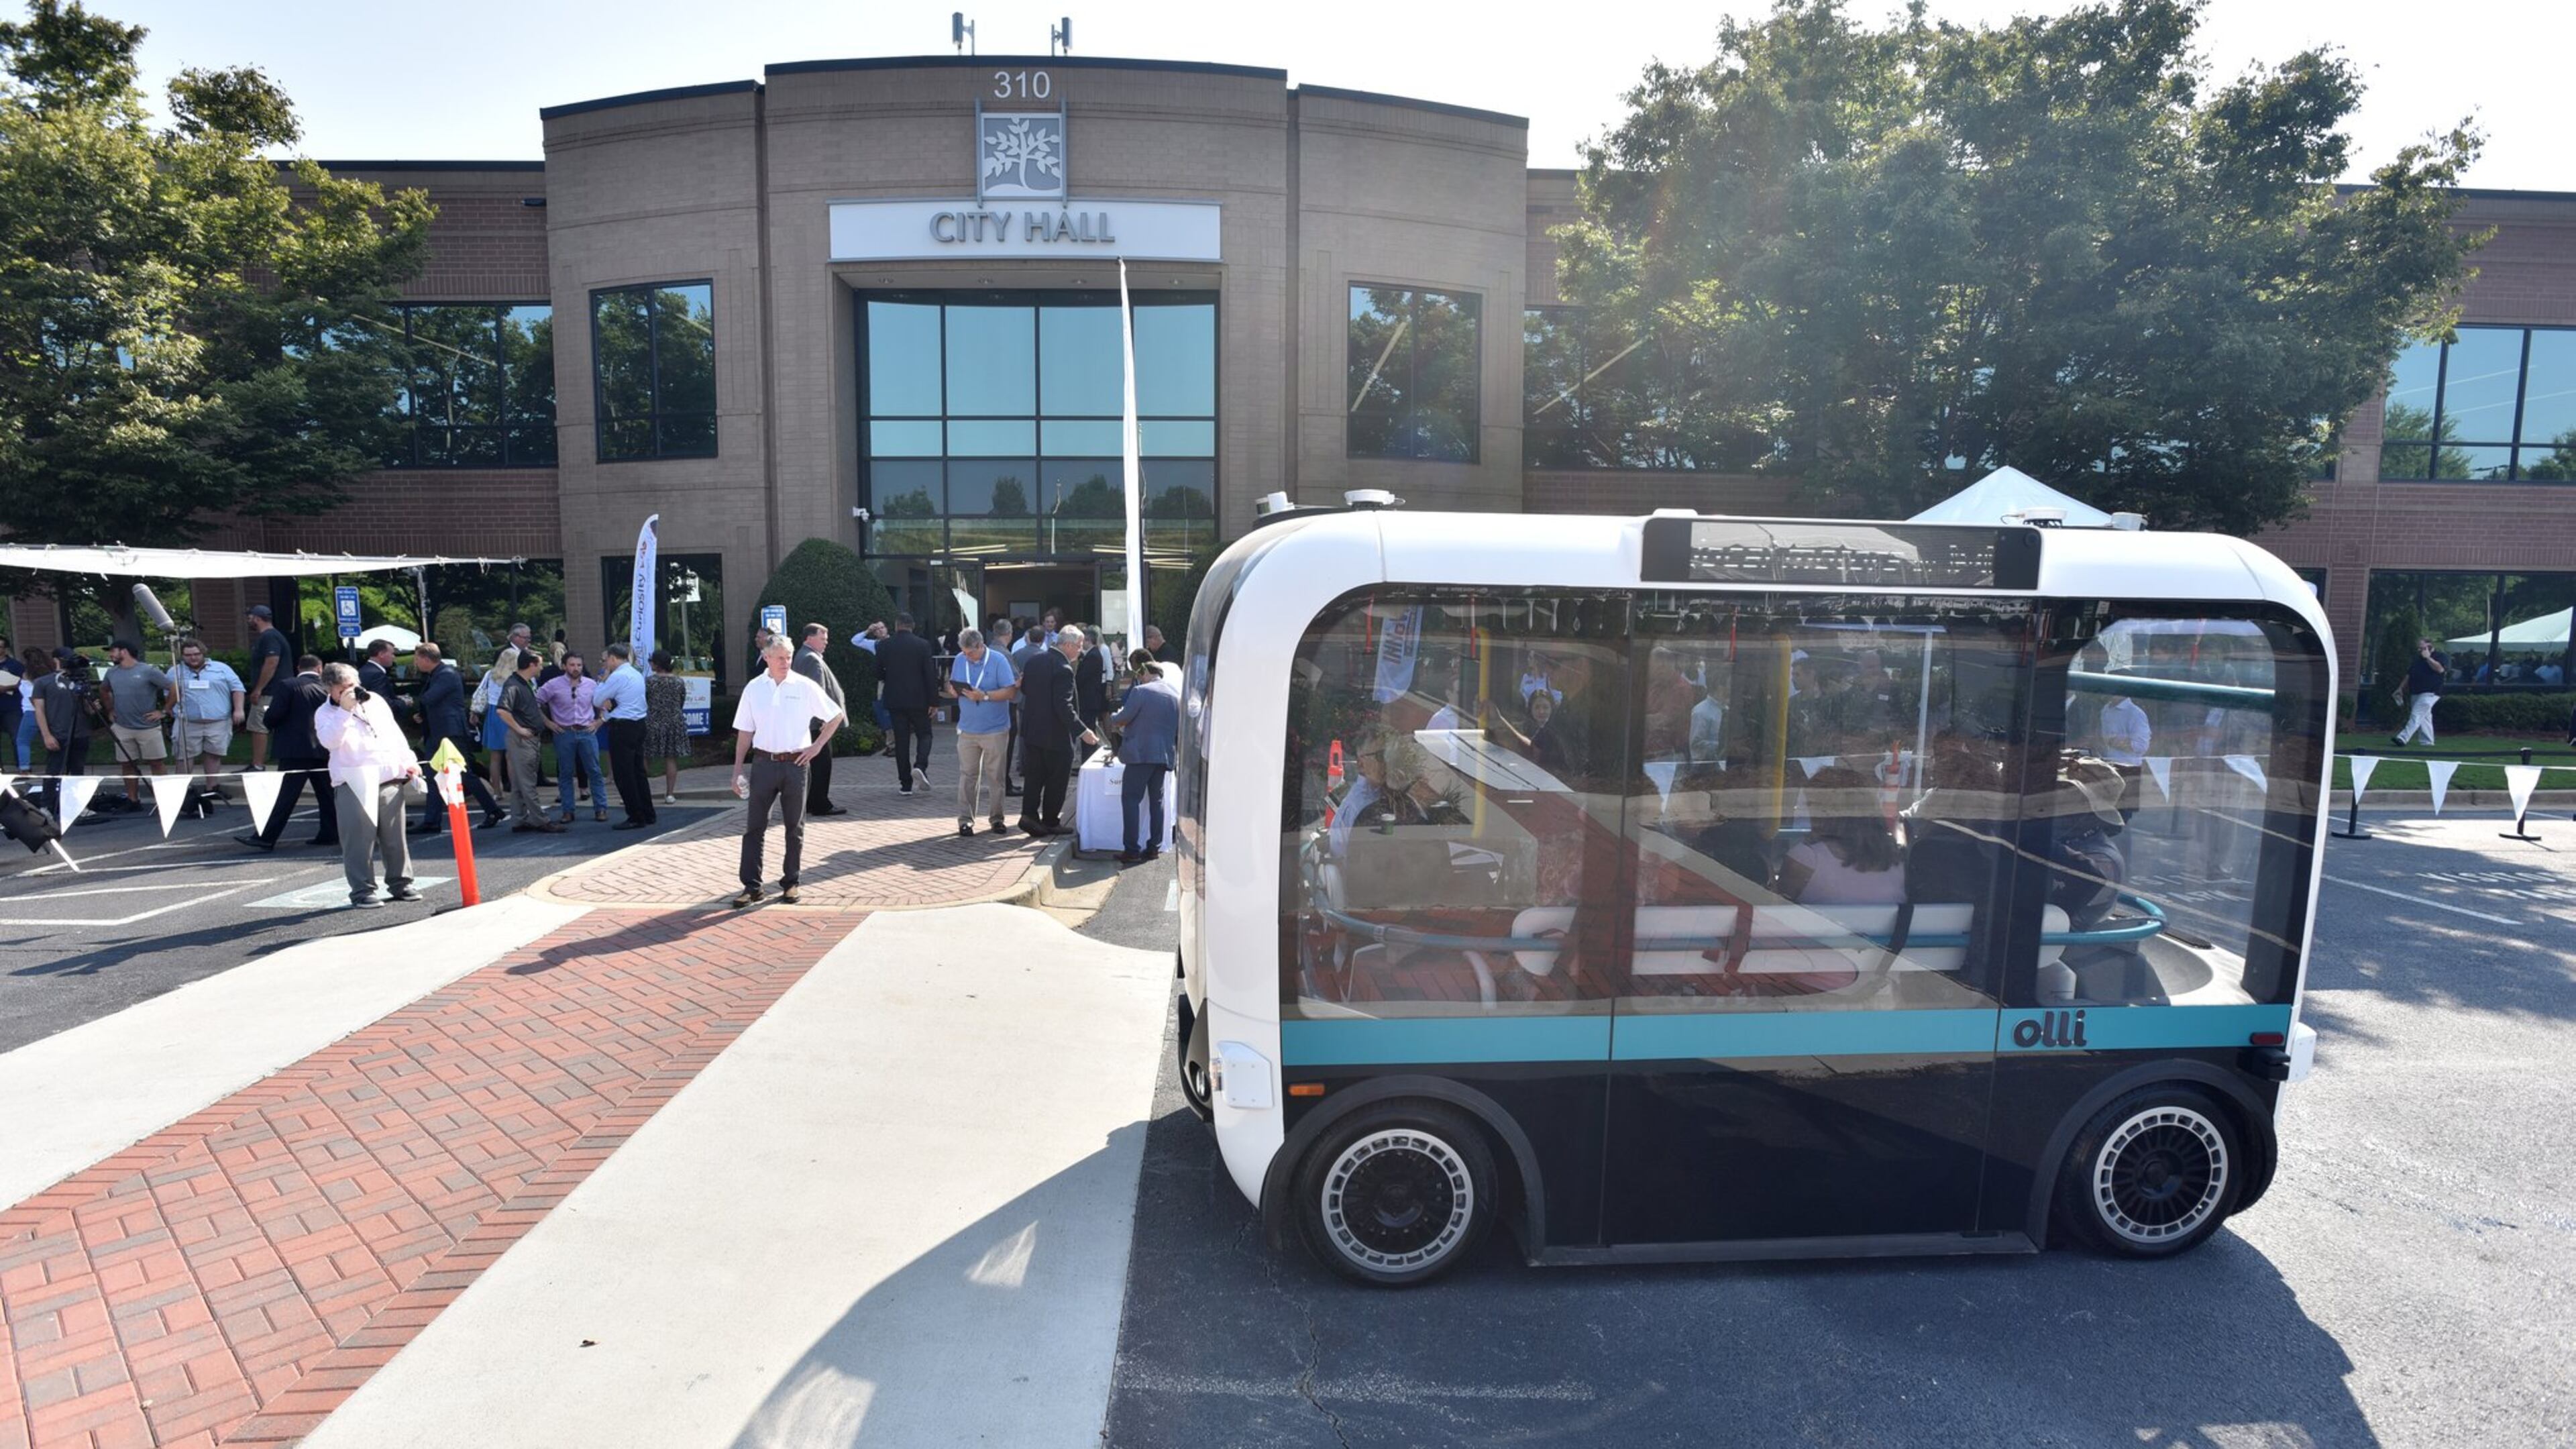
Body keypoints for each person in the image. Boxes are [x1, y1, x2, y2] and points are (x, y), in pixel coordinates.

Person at [731, 637, 844, 907]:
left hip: (796, 765)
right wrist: (737, 771)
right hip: (763, 764)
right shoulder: (754, 688)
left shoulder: (804, 686)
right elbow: (745, 731)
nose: (786, 662)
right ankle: (751, 886)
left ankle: (791, 882)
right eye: (780, 657)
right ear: (766, 657)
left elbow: (835, 715)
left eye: (789, 657)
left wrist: (816, 747)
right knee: (754, 827)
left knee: (795, 827)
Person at [314, 662, 424, 908]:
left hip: (387, 777)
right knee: (358, 840)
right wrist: (344, 711)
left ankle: (402, 883)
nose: (352, 692)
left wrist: (409, 761)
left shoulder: (375, 701)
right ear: (331, 690)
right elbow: (329, 742)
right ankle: (362, 890)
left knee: (395, 836)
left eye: (354, 686)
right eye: (344, 689)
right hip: (352, 782)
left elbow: (393, 733)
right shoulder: (325, 713)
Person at [237, 656, 342, 851]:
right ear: (320, 668)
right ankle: (330, 833)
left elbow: (275, 715)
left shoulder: (288, 685)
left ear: (298, 668)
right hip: (323, 747)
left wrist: (270, 721)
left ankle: (266, 837)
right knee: (327, 795)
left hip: (294, 749)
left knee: (285, 796)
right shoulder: (328, 688)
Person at [408, 643, 508, 835]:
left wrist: (415, 706)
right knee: (434, 774)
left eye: (418, 658)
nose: (416, 663)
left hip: (448, 732)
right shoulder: (439, 674)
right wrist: (423, 715)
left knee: (463, 773)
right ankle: (432, 820)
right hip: (440, 731)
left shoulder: (446, 675)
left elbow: (429, 698)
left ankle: (492, 810)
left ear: (427, 659)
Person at [1779, 765, 1906, 904]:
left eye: (1813, 804)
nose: (1810, 812)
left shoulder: (1806, 858)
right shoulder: (1897, 859)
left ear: (1829, 810)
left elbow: (1774, 913)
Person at [1015, 624, 1097, 837]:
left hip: (1032, 732)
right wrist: (1083, 731)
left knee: (1034, 777)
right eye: (1079, 646)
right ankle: (1051, 821)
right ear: (1068, 645)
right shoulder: (1063, 669)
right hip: (1056, 735)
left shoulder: (1034, 661)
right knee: (1056, 779)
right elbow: (1063, 706)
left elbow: (1024, 689)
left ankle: (1029, 816)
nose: (1080, 651)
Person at [1108, 650, 1181, 864]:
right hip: (1164, 755)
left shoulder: (1141, 692)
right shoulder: (1174, 696)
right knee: (1157, 801)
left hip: (1140, 754)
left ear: (1147, 674)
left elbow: (1122, 718)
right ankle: (1154, 847)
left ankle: (1131, 849)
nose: (1140, 678)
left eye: (1141, 675)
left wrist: (1113, 717)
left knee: (1131, 800)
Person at [946, 627, 1018, 837]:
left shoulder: (998, 660)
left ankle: (997, 819)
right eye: (964, 652)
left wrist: (984, 696)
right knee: (967, 775)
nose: (966, 657)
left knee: (996, 777)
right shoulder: (960, 659)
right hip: (967, 729)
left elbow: (1011, 692)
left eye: (970, 653)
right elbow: (952, 683)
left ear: (980, 646)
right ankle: (965, 821)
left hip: (995, 729)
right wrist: (952, 690)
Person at [863, 614, 941, 795]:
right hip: (919, 699)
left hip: (895, 699)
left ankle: (905, 784)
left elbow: (877, 672)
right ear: (912, 626)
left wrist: (889, 678)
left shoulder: (884, 645)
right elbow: (930, 675)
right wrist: (934, 701)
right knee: (925, 734)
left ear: (896, 626)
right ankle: (920, 765)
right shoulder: (922, 645)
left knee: (901, 741)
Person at [99, 641, 175, 812]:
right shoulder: (112, 673)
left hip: (148, 726)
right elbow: (104, 690)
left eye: (113, 651)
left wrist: (164, 711)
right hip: (122, 726)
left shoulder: (148, 671)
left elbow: (173, 687)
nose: (111, 655)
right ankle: (133, 800)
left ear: (124, 652)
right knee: (127, 764)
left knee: (156, 762)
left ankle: (165, 800)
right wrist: (110, 709)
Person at [170, 638, 246, 808]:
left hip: (218, 721)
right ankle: (183, 790)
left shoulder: (222, 669)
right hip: (188, 722)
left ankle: (212, 788)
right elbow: (169, 694)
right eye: (188, 655)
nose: (193, 658)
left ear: (203, 653)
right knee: (184, 756)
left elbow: (238, 688)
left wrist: (238, 710)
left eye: (197, 654)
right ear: (182, 656)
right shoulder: (175, 671)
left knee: (214, 754)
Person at [535, 650, 608, 822]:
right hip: (564, 733)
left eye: (579, 665)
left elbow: (605, 704)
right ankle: (568, 811)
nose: (576, 668)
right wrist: (548, 723)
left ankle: (601, 808)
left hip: (586, 732)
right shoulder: (553, 685)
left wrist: (599, 722)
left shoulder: (591, 684)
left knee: (595, 771)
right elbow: (535, 703)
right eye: (572, 665)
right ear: (564, 666)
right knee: (566, 773)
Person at [495, 649, 562, 833]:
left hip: (527, 738)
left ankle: (519, 819)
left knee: (518, 782)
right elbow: (502, 711)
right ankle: (541, 820)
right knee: (528, 783)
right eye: (540, 663)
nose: (542, 667)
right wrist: (519, 729)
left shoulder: (524, 683)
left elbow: (531, 708)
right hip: (523, 740)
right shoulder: (513, 685)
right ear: (531, 665)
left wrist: (547, 723)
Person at [593, 642, 657, 829]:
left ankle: (635, 816)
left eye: (606, 660)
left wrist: (603, 680)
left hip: (623, 728)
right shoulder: (636, 674)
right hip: (638, 724)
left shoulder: (617, 676)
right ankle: (647, 813)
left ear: (613, 658)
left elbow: (597, 699)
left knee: (624, 774)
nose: (605, 664)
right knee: (638, 771)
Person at [30, 649, 95, 822]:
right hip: (58, 732)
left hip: (80, 732)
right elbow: (39, 710)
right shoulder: (43, 682)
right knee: (54, 770)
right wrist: (47, 735)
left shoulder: (79, 681)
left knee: (77, 770)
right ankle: (46, 806)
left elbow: (90, 710)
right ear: (57, 660)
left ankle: (77, 805)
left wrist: (90, 701)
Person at [792, 625, 849, 816]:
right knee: (822, 765)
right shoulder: (811, 659)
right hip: (819, 725)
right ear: (809, 638)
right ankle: (820, 804)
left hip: (811, 723)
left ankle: (812, 802)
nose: (826, 641)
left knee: (814, 766)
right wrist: (825, 718)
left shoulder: (803, 656)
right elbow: (818, 690)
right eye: (822, 638)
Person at [244, 604, 290, 769]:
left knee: (259, 726)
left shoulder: (269, 637)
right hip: (275, 691)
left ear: (257, 618)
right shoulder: (273, 636)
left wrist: (258, 689)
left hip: (269, 692)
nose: (248, 621)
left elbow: (272, 662)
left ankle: (257, 765)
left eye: (250, 618)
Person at [645, 649, 690, 803]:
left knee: (646, 757)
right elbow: (681, 701)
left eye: (652, 661)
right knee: (671, 758)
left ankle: (641, 792)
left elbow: (645, 700)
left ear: (657, 664)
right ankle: (670, 794)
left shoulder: (650, 681)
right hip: (674, 722)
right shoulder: (678, 681)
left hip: (653, 721)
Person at [1007, 623, 1047, 796]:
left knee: (1023, 733)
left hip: (1022, 699)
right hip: (1041, 701)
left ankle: (1023, 764)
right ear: (1043, 639)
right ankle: (1036, 765)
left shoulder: (1017, 654)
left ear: (1028, 638)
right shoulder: (1045, 657)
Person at [2393, 637, 2448, 747]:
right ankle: (2427, 741)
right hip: (2416, 692)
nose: (2420, 650)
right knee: (2425, 717)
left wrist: (2428, 658)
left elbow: (2440, 670)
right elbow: (2409, 675)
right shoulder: (2417, 659)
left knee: (2416, 715)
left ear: (2429, 645)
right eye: (2419, 648)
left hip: (2431, 692)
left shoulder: (2441, 656)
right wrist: (2400, 688)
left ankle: (2402, 738)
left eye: (2422, 647)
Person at [1072, 623, 1110, 760]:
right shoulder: (1091, 654)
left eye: (1083, 642)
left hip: (1089, 700)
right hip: (1089, 700)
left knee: (1088, 730)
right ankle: (1087, 758)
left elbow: (1082, 678)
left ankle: (1088, 759)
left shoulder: (1093, 656)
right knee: (1088, 729)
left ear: (1088, 641)